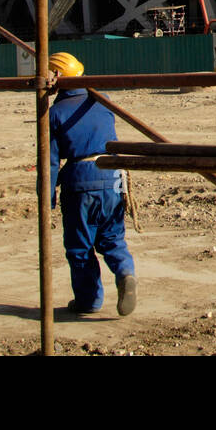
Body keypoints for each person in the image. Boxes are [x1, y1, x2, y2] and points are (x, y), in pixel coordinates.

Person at [47, 52, 137, 317]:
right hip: (112, 175)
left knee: (80, 246)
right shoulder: (103, 101)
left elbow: (51, 160)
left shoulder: (55, 113)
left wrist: (48, 192)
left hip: (80, 181)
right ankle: (125, 272)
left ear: (57, 78)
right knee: (112, 237)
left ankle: (89, 301)